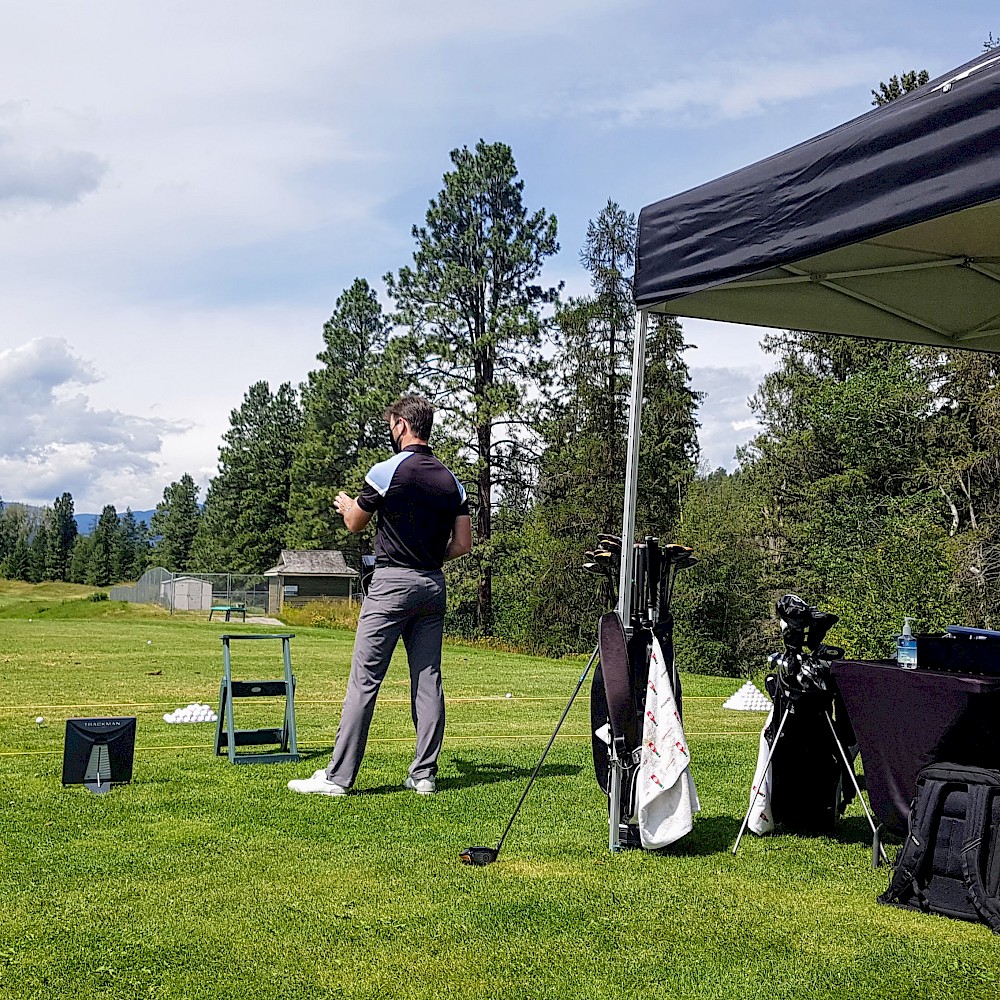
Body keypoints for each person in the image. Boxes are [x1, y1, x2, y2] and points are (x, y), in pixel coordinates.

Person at [288, 394, 472, 797]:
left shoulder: (387, 471)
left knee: (365, 681)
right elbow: (462, 544)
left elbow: (356, 523)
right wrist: (427, 556)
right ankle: (424, 775)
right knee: (428, 681)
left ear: (401, 425)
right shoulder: (451, 481)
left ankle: (338, 778)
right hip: (432, 585)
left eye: (391, 424)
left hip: (391, 585)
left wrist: (347, 506)